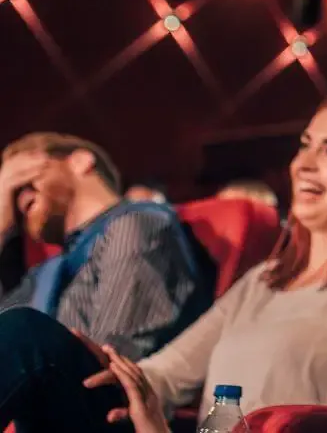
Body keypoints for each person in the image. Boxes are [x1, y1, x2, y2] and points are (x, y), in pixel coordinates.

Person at [79, 93, 327, 433]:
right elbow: (166, 373)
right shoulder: (263, 281)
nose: (303, 164)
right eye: (305, 146)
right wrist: (109, 370)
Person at [0, 132, 207, 430]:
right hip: (47, 410)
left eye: (22, 181)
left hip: (120, 408)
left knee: (24, 330)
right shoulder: (47, 271)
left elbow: (114, 355)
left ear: (81, 162)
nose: (16, 199)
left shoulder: (136, 223)